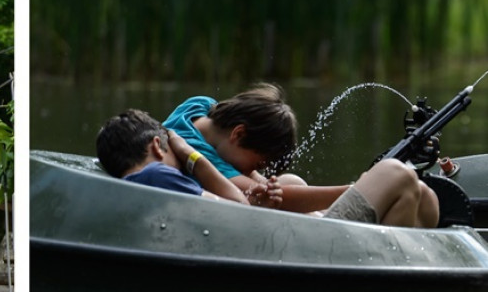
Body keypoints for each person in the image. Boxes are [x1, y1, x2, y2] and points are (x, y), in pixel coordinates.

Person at [99, 109, 439, 227]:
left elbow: (233, 208)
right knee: (397, 173)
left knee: (422, 196)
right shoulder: (157, 174)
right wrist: (189, 154)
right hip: (314, 255)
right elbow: (237, 207)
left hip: (286, 243)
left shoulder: (147, 182)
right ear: (158, 147)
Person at [162, 83, 353, 214]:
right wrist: (351, 192)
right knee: (287, 199)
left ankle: (328, 217)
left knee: (292, 181)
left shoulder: (198, 105)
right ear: (238, 134)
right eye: (258, 163)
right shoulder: (200, 156)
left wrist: (266, 183)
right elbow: (283, 200)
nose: (253, 171)